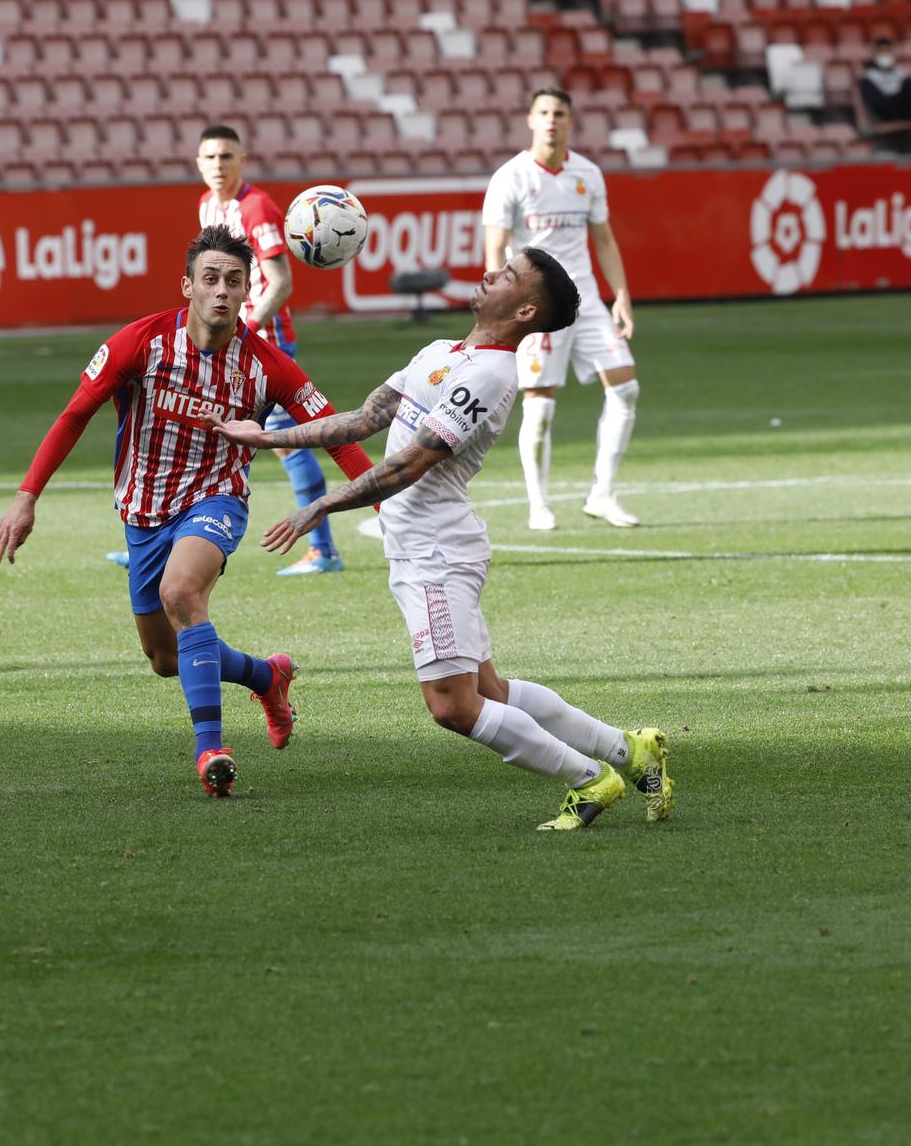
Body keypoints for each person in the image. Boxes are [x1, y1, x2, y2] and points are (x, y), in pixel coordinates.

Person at [213, 248, 673, 830]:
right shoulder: (442, 353)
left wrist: (323, 503)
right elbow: (360, 420)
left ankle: (588, 779)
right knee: (490, 690)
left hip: (436, 552)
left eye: (507, 276)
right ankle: (629, 751)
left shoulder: (490, 373)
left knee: (453, 707)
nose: (489, 274)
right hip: (422, 547)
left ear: (527, 308)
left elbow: (411, 464)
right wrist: (265, 439)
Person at [0, 226, 374, 797]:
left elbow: (337, 434)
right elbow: (74, 415)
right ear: (188, 284)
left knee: (181, 595)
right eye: (211, 278)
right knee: (165, 659)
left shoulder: (268, 365)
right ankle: (268, 676)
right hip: (143, 507)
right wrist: (27, 496)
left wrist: (384, 493)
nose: (221, 291)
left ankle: (211, 751)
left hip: (216, 500)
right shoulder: (139, 343)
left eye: (234, 281)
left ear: (248, 291)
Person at [482, 86, 642, 531]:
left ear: (571, 121)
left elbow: (604, 239)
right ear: (531, 120)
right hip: (537, 305)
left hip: (587, 299)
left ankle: (603, 494)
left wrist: (621, 294)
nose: (552, 120)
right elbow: (495, 247)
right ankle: (539, 504)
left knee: (626, 388)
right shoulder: (511, 177)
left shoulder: (587, 174)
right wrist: (505, 304)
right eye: (544, 112)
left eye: (560, 113)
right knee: (540, 404)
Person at [194, 123, 344, 575]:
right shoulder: (206, 206)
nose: (218, 166)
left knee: (287, 446)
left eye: (226, 157)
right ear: (198, 164)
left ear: (243, 160)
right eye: (210, 158)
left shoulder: (257, 207)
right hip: (229, 344)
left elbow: (280, 282)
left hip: (263, 345)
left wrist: (249, 330)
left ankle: (323, 549)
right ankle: (166, 539)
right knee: (202, 436)